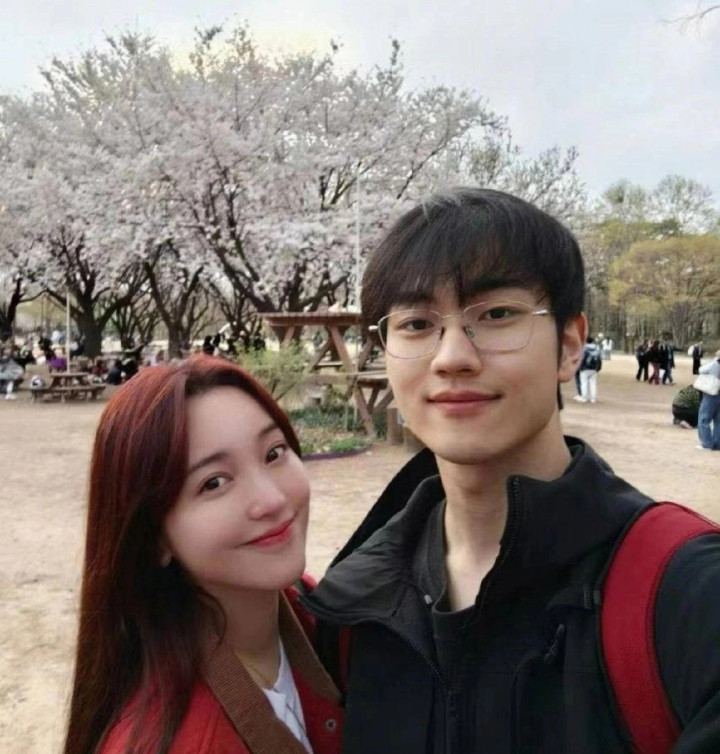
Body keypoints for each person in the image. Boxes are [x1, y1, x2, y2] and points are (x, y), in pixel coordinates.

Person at [303, 188, 720, 753]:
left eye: (497, 314)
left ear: (569, 345)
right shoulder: (352, 606)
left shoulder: (689, 600)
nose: (452, 357)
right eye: (417, 323)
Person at [64, 356, 342, 754]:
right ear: (154, 538)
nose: (272, 499)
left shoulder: (332, 620)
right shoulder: (163, 742)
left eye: (273, 453)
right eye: (214, 483)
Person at [696, 349, 720, 451]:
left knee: (704, 418)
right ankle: (717, 443)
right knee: (718, 421)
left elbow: (701, 369)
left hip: (712, 393)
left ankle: (706, 443)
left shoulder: (715, 364)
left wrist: (714, 360)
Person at [577, 336, 602, 403]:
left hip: (585, 368)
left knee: (584, 383)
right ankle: (593, 398)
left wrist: (580, 367)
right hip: (594, 368)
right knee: (593, 383)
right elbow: (599, 359)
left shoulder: (584, 349)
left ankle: (584, 398)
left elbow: (582, 359)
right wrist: (598, 368)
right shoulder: (597, 348)